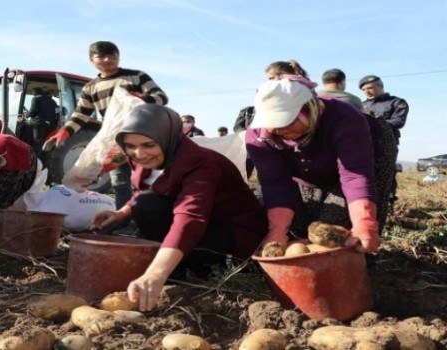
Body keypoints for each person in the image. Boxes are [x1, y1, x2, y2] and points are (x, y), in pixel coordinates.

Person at [91, 104, 267, 311]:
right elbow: (147, 190)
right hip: (194, 225)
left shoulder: (201, 163)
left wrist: (155, 272)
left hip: (230, 231)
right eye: (130, 145)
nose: (139, 153)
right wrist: (121, 212)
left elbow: (190, 218)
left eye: (148, 144)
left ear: (167, 138)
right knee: (145, 204)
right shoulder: (143, 158)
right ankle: (175, 273)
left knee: (166, 219)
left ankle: (206, 270)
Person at [246, 77, 397, 256]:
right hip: (308, 166)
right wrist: (277, 230)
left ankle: (359, 260)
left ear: (308, 108)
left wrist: (365, 222)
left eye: (286, 121)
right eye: (274, 124)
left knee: (337, 234)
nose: (279, 130)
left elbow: (354, 174)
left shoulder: (343, 118)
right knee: (306, 231)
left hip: (364, 155)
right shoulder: (260, 136)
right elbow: (275, 182)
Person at [44, 41, 168, 234]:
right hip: (114, 142)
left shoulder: (136, 77)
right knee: (120, 182)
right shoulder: (91, 88)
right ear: (91, 60)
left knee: (144, 179)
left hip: (142, 136)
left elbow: (161, 97)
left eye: (112, 55)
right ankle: (123, 224)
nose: (108, 59)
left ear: (118, 56)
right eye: (101, 56)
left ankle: (145, 223)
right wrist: (66, 131)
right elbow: (80, 115)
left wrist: (141, 100)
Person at [359, 75, 409, 204]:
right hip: (365, 144)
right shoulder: (361, 105)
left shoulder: (396, 102)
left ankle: (389, 202)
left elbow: (399, 121)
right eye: (363, 90)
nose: (366, 92)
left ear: (380, 86)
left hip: (386, 145)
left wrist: (376, 122)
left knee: (386, 174)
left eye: (370, 88)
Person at [27, 87, 59, 160]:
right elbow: (57, 111)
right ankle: (45, 158)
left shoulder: (36, 98)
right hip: (50, 124)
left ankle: (37, 160)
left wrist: (27, 115)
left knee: (37, 142)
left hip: (39, 123)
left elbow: (33, 111)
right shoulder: (52, 101)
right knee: (43, 141)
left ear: (35, 93)